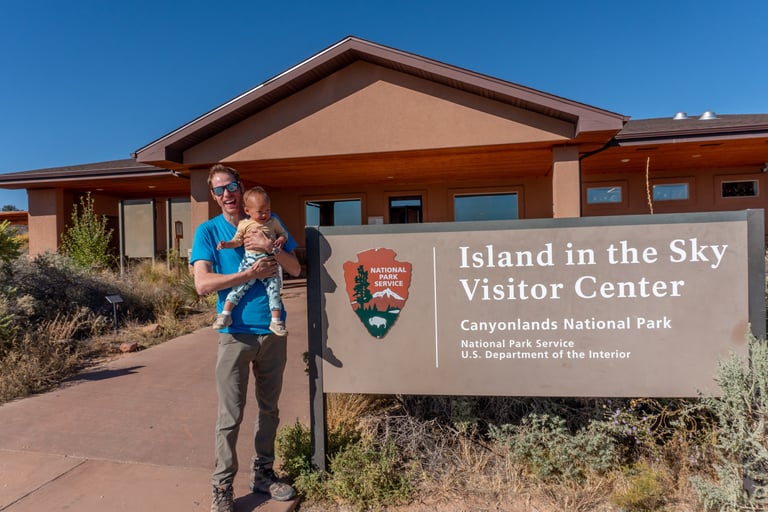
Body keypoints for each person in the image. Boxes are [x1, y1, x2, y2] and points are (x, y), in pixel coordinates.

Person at [190, 164, 301, 512]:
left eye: (231, 186)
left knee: (270, 409)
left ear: (241, 187)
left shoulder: (269, 220)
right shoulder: (208, 231)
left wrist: (271, 247)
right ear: (213, 195)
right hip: (234, 335)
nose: (227, 194)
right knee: (230, 415)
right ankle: (222, 486)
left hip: (272, 332)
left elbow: (295, 267)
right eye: (219, 189)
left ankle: (263, 473)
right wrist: (249, 273)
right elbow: (202, 284)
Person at [213, 186, 289, 336]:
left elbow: (283, 233)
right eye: (260, 211)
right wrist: (226, 244)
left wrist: (281, 239)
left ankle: (276, 322)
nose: (265, 214)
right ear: (248, 211)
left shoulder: (273, 222)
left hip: (269, 263)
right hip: (249, 262)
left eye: (267, 210)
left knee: (274, 291)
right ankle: (225, 315)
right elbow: (237, 241)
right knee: (238, 288)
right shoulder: (244, 224)